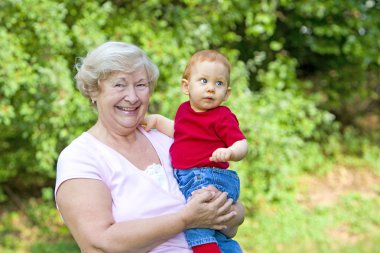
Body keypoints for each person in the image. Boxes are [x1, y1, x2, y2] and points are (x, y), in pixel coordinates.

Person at [54, 41, 245, 253]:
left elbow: (233, 219)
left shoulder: (168, 139)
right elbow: (100, 243)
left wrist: (229, 212)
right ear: (93, 91)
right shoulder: (80, 157)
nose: (133, 97)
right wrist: (186, 219)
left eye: (141, 85)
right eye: (119, 85)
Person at [143, 50, 248, 253]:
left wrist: (231, 152)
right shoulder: (184, 110)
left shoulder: (222, 116)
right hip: (191, 177)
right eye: (203, 81)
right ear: (186, 86)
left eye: (218, 84)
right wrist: (156, 120)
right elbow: (179, 132)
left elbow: (242, 143)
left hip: (210, 176)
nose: (210, 89)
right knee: (213, 230)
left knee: (196, 225)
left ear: (226, 93)